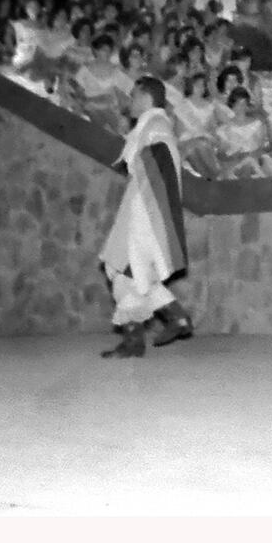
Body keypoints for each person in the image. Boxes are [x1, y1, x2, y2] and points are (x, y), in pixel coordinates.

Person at [99, 76, 194, 358]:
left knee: (126, 270)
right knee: (129, 272)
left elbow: (163, 158)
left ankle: (140, 337)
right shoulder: (151, 124)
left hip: (145, 206)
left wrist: (151, 204)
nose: (130, 101)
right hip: (140, 200)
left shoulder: (156, 124)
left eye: (133, 95)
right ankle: (173, 319)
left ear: (145, 97)